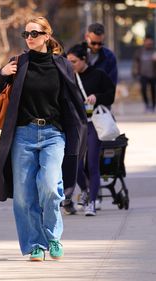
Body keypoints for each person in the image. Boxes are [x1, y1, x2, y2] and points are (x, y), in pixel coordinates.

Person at [0, 17, 87, 261]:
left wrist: (77, 132)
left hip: (53, 134)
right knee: (23, 196)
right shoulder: (18, 64)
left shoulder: (62, 65)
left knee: (51, 187)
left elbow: (72, 101)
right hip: (23, 134)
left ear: (46, 36)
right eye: (26, 34)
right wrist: (1, 73)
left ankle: (53, 238)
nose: (29, 38)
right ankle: (34, 244)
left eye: (34, 33)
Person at [66, 42, 116, 216]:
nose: (70, 65)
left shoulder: (98, 75)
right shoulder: (68, 77)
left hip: (94, 123)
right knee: (77, 166)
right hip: (76, 125)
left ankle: (92, 203)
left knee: (93, 164)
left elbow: (111, 94)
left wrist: (97, 97)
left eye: (73, 61)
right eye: (68, 61)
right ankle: (85, 190)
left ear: (84, 59)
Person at [132, 35, 156, 113]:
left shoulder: (154, 51)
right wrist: (135, 73)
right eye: (147, 41)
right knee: (144, 89)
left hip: (153, 74)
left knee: (154, 90)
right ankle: (146, 105)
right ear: (144, 42)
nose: (149, 43)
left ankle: (153, 106)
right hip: (143, 75)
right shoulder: (140, 51)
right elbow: (135, 63)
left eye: (150, 42)